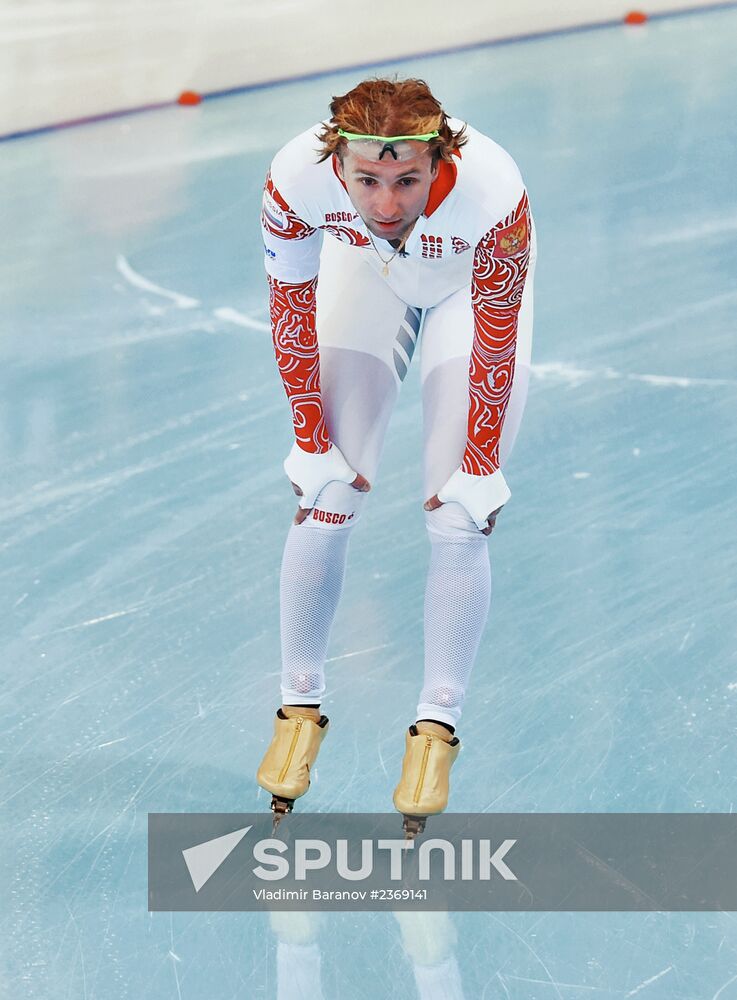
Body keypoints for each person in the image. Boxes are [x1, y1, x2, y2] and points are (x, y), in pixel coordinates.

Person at [255, 77, 537, 836]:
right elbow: (289, 311)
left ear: (439, 161)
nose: (385, 205)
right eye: (367, 181)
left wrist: (480, 465)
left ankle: (436, 725)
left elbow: (496, 339)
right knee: (325, 496)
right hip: (366, 281)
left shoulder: (491, 189)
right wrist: (310, 440)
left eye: (407, 180)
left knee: (459, 514)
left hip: (466, 298)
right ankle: (298, 705)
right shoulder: (294, 179)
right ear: (335, 165)